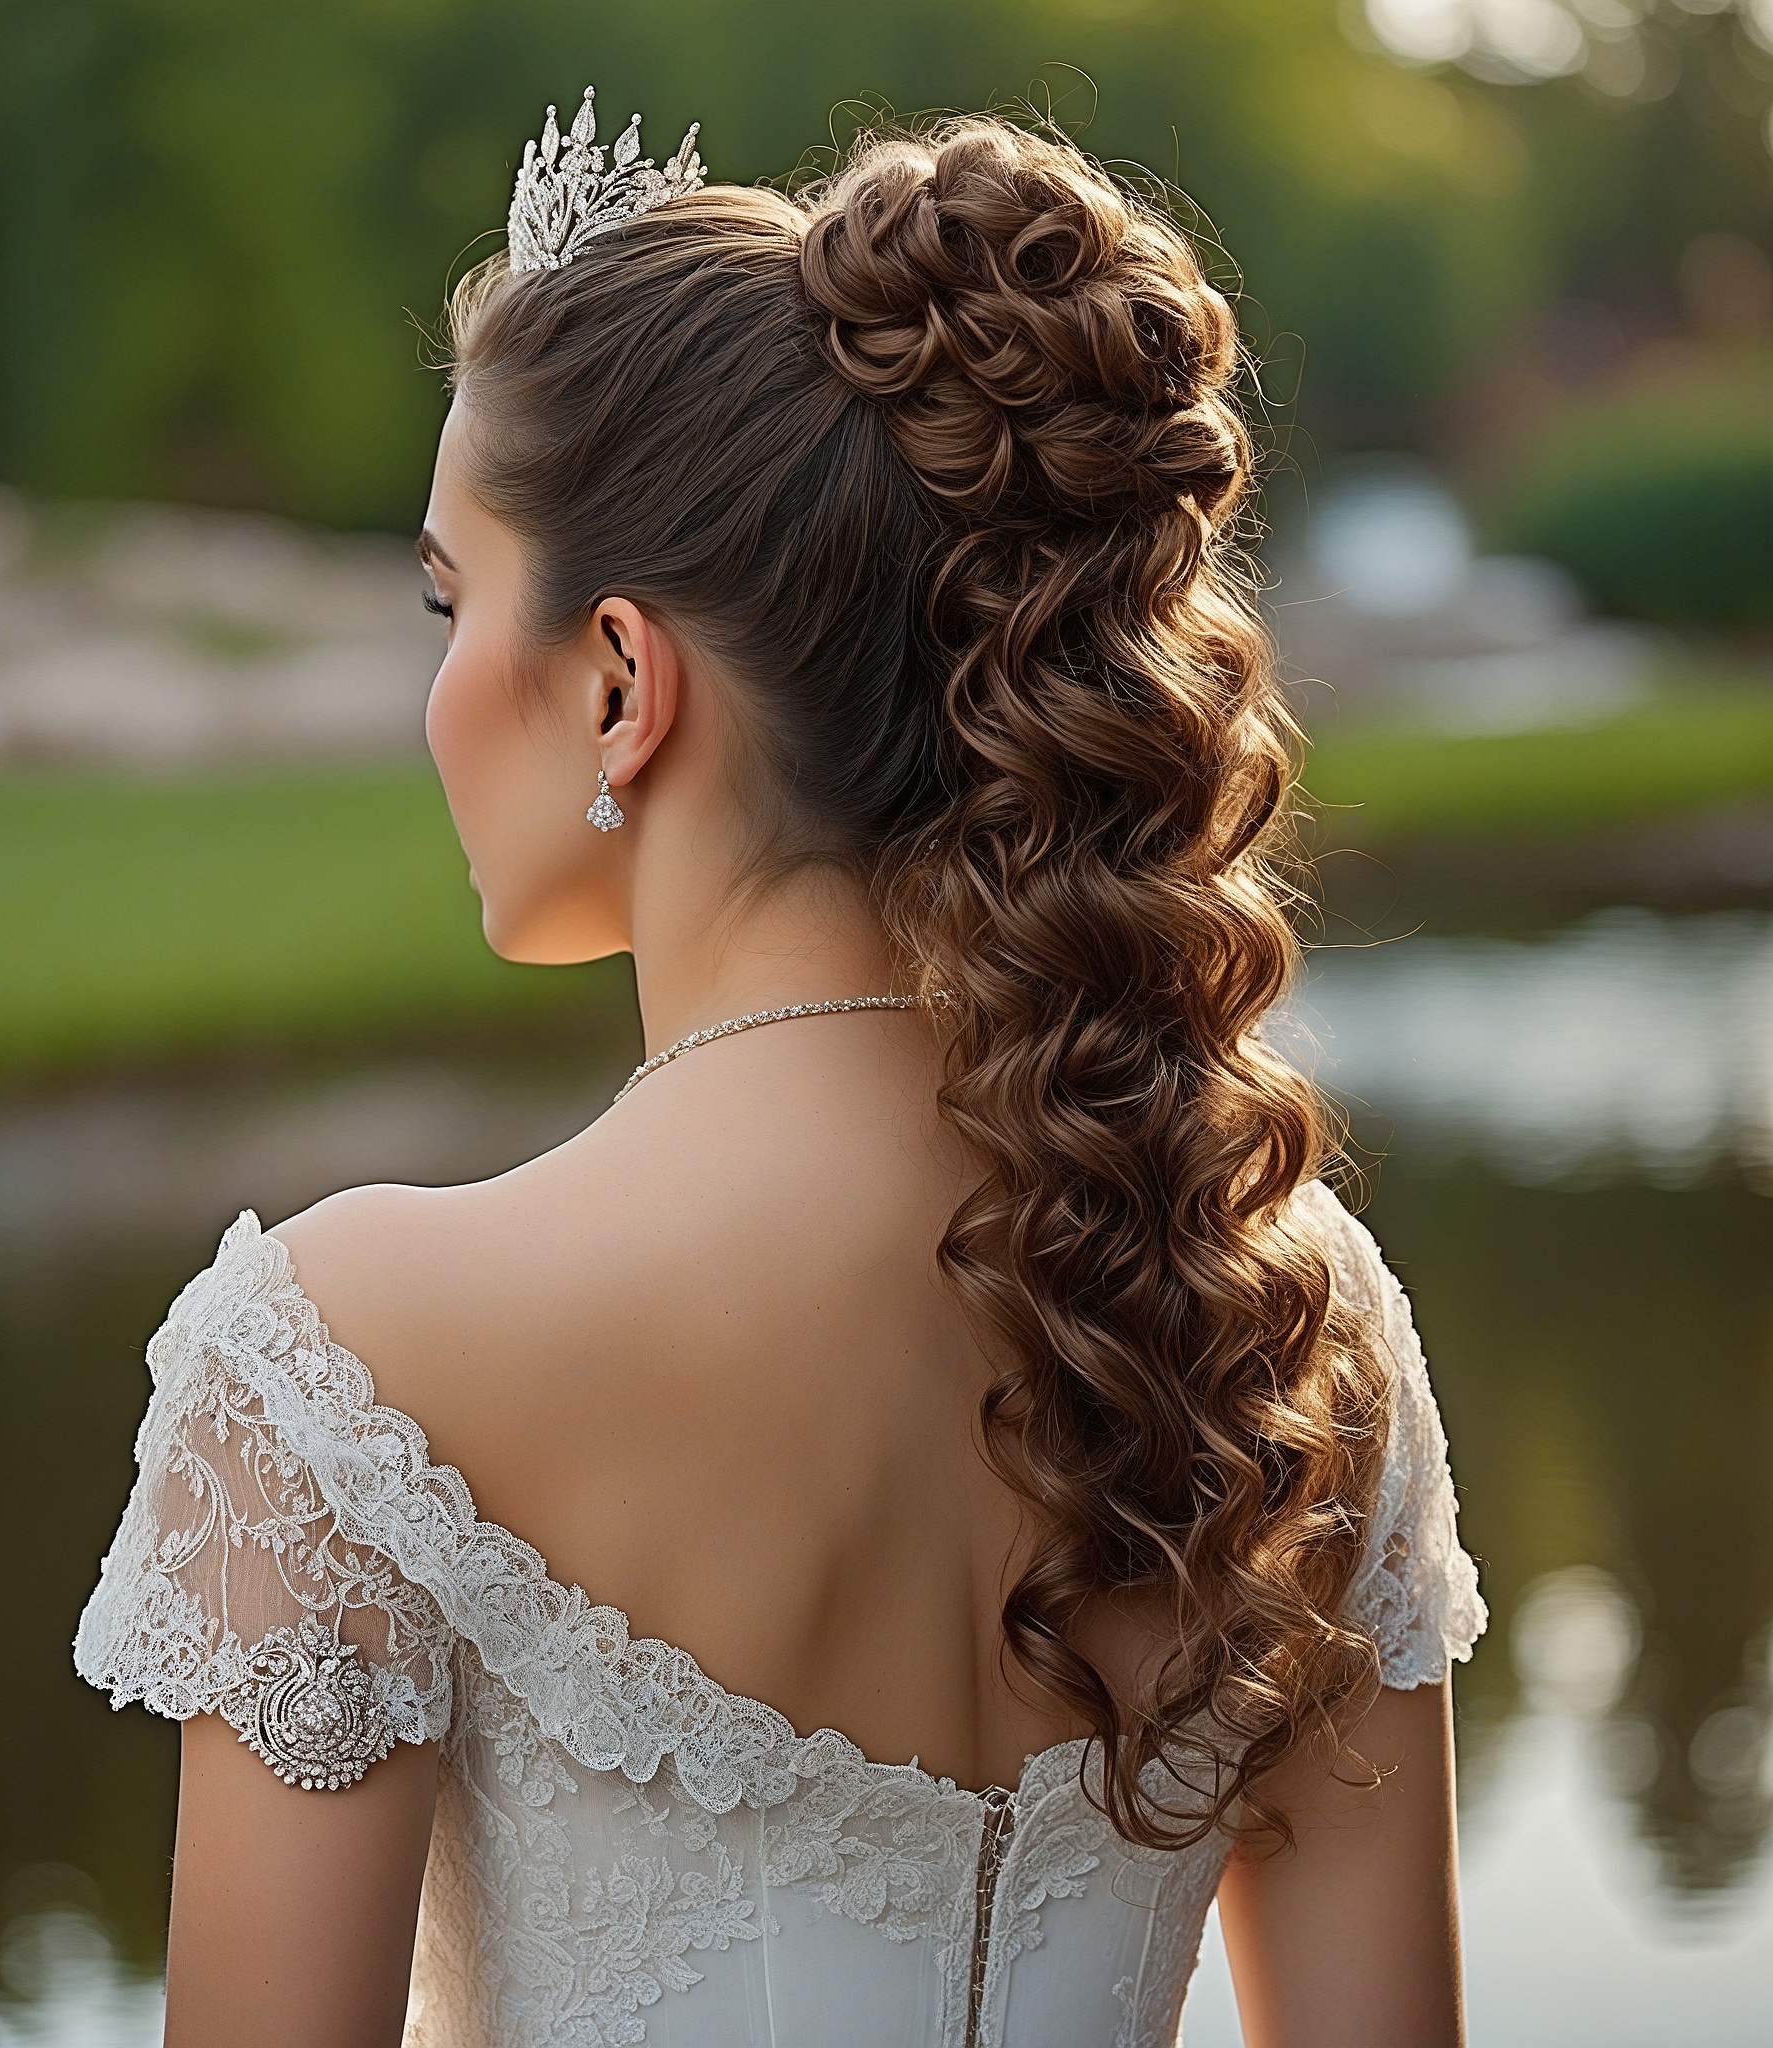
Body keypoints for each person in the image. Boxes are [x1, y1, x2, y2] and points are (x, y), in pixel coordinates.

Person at [75, 92, 1485, 2048]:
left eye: (445, 596)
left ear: (623, 683)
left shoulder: (351, 1361)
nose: (435, 682)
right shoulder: (1275, 1311)